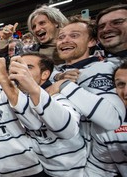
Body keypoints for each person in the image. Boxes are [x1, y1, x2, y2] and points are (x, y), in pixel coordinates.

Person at [47, 61, 127, 177]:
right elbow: (102, 165)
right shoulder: (108, 128)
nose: (126, 91)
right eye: (121, 84)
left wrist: (63, 85)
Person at [9, 53, 86, 177]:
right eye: (19, 67)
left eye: (28, 67)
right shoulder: (21, 97)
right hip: (44, 171)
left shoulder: (60, 94)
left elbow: (68, 130)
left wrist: (33, 88)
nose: (22, 72)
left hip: (74, 175)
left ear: (45, 74)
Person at [50, 16, 125, 150]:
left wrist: (64, 86)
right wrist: (58, 77)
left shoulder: (103, 68)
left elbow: (112, 119)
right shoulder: (54, 72)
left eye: (74, 35)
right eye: (61, 37)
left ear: (91, 41)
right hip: (62, 158)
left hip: (97, 157)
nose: (65, 40)